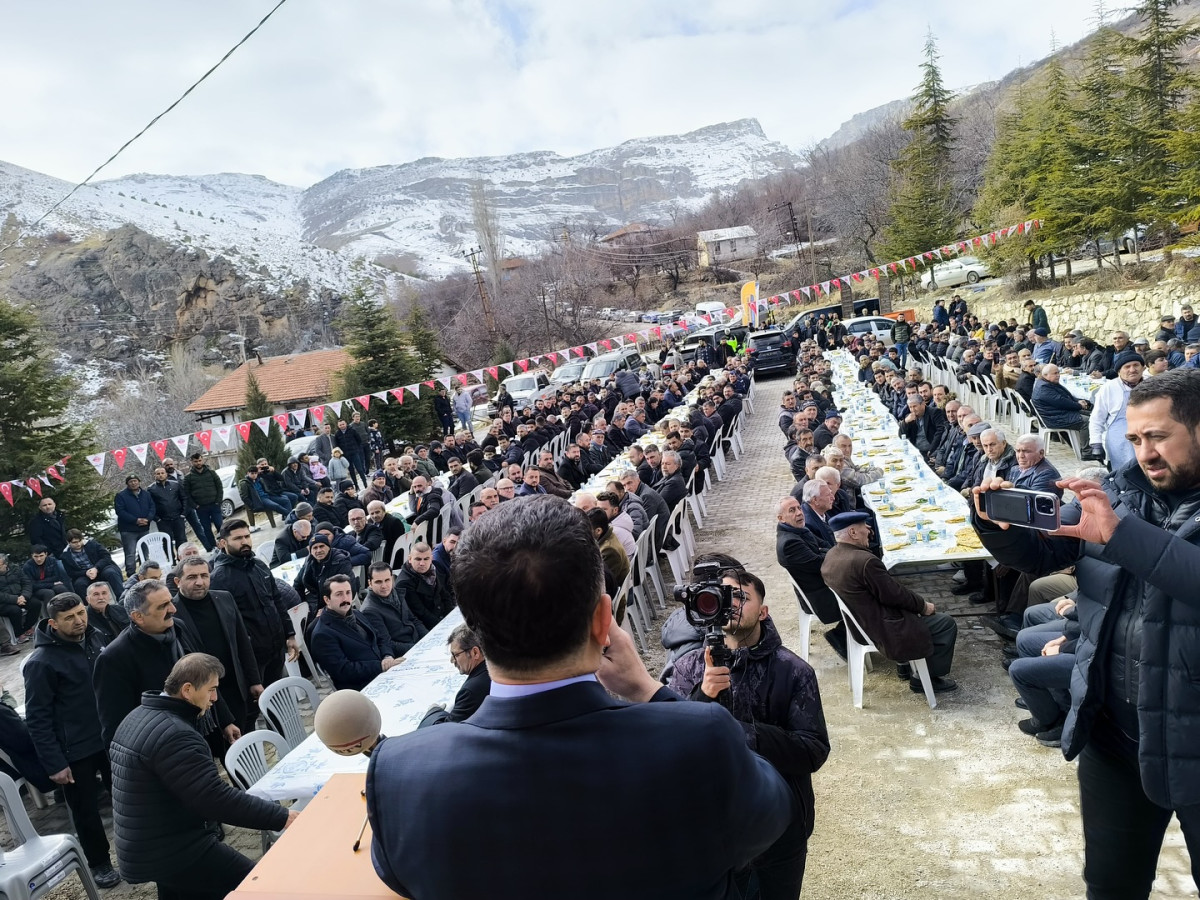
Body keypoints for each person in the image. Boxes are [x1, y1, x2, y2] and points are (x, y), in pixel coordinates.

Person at [365, 495, 794, 900]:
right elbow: (773, 814)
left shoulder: (399, 773)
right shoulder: (699, 740)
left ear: (473, 631)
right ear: (604, 620)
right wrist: (647, 690)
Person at [972, 369, 1200, 898]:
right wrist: (996, 528)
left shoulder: (1120, 514)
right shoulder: (1120, 491)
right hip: (1116, 734)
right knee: (1110, 886)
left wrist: (1122, 536)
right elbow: (1047, 551)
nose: (1145, 452)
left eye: (1159, 437)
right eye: (1137, 438)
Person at [667, 567, 829, 899]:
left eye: (741, 596)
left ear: (763, 611)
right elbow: (671, 749)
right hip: (713, 830)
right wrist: (702, 698)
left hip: (780, 824)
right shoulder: (690, 669)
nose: (732, 604)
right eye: (723, 595)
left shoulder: (793, 671)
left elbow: (812, 749)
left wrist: (737, 733)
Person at [109, 653, 297, 899]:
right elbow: (214, 797)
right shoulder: (176, 734)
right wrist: (282, 816)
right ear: (187, 690)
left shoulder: (138, 716)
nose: (215, 698)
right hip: (176, 850)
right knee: (259, 887)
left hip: (148, 846)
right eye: (211, 690)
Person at [24, 593, 122, 888]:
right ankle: (99, 863)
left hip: (110, 736)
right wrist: (55, 762)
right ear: (53, 623)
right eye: (70, 618)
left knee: (129, 795)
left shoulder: (97, 638)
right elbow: (37, 718)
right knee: (85, 811)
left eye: (82, 613)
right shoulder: (41, 663)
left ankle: (141, 843)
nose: (79, 620)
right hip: (74, 750)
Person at [820, 511, 958, 693]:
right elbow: (895, 594)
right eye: (864, 526)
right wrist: (924, 606)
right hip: (882, 628)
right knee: (945, 624)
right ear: (853, 533)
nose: (869, 530)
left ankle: (905, 664)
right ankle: (926, 679)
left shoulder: (832, 556)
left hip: (858, 625)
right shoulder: (865, 561)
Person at [172, 557, 263, 736]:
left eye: (204, 575)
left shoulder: (224, 598)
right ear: (177, 581)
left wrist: (254, 680)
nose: (199, 582)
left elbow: (242, 642)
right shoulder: (172, 612)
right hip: (202, 696)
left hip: (236, 686)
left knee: (248, 736)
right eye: (191, 577)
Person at [209, 520, 297, 691]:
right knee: (256, 706)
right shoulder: (219, 578)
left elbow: (277, 601)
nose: (245, 542)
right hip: (251, 657)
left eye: (247, 536)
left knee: (280, 697)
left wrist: (290, 634)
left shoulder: (259, 565)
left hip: (276, 647)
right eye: (238, 538)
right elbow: (225, 625)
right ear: (223, 543)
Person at [775, 497, 844, 658]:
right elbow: (821, 563)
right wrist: (828, 552)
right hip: (821, 596)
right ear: (781, 518)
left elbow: (828, 546)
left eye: (799, 508)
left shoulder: (798, 530)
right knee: (864, 591)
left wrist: (825, 551)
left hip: (824, 584)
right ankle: (841, 636)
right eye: (792, 510)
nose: (799, 513)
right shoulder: (789, 543)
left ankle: (846, 634)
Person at [309, 574, 399, 691]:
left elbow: (379, 637)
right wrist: (381, 666)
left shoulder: (356, 613)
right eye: (339, 594)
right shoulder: (322, 634)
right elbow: (344, 671)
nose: (345, 599)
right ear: (327, 600)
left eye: (348, 592)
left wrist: (387, 656)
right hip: (362, 688)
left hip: (384, 674)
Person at [419, 623, 491, 727]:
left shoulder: (470, 691)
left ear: (475, 652)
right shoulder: (495, 665)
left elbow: (445, 730)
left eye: (456, 655)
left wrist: (433, 713)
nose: (452, 660)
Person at [1087, 350, 1144, 467]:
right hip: (1120, 442)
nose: (1132, 370)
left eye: (1136, 365)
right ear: (1119, 371)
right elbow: (1097, 418)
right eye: (1127, 367)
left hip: (1148, 438)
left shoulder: (1151, 385)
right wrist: (1096, 443)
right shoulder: (1109, 388)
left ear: (1143, 368)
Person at [359, 562, 428, 658]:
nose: (384, 586)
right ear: (370, 583)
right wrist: (419, 648)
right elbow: (387, 644)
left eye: (387, 580)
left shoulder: (396, 593)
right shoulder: (369, 610)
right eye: (378, 582)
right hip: (404, 654)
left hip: (417, 643)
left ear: (392, 579)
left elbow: (413, 619)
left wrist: (428, 638)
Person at [394, 541, 455, 630]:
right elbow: (420, 612)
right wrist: (443, 626)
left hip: (442, 618)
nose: (422, 563)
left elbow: (445, 595)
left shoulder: (433, 569)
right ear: (410, 559)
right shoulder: (404, 583)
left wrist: (450, 617)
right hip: (426, 626)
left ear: (431, 558)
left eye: (426, 559)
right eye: (418, 559)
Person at [60, 528, 124, 600]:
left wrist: (96, 568)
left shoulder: (92, 544)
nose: (78, 544)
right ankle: (90, 607)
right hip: (84, 574)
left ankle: (122, 598)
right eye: (74, 542)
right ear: (68, 542)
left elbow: (106, 557)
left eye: (80, 541)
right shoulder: (65, 556)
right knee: (79, 584)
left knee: (111, 572)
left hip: (102, 568)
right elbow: (71, 573)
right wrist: (86, 573)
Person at [182, 453, 224, 552]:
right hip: (201, 508)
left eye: (200, 460)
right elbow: (186, 494)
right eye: (195, 461)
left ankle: (223, 544)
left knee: (220, 525)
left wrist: (218, 501)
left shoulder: (211, 472)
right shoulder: (188, 478)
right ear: (192, 462)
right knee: (206, 528)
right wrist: (195, 506)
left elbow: (219, 487)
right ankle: (213, 547)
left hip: (214, 505)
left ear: (202, 460)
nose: (198, 463)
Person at [22, 545, 70, 628]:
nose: (39, 559)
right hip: (37, 590)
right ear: (32, 556)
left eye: (41, 556)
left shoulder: (52, 561)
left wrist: (41, 582)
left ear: (46, 554)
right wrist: (51, 583)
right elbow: (32, 584)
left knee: (61, 588)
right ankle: (51, 618)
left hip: (48, 585)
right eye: (36, 556)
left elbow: (56, 577)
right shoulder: (27, 566)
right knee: (48, 593)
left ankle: (69, 611)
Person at [148, 465, 188, 555]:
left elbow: (184, 498)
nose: (160, 475)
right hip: (163, 520)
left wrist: (183, 513)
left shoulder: (175, 484)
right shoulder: (151, 489)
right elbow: (149, 506)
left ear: (166, 474)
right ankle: (171, 560)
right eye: (158, 474)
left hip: (178, 517)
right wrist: (157, 519)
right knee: (166, 540)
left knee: (181, 539)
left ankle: (182, 558)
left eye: (162, 473)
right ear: (155, 476)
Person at [0, 552, 36, 645]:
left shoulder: (16, 569)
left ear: (5, 564)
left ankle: (27, 627)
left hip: (21, 596)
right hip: (4, 602)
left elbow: (26, 583)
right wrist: (15, 599)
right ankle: (19, 634)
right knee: (15, 610)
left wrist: (24, 596)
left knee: (35, 604)